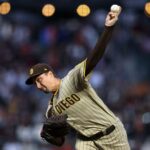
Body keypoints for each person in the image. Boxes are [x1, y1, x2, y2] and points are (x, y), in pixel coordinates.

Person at [25, 5, 130, 150]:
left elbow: (94, 58)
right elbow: (60, 140)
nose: (38, 86)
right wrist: (49, 136)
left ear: (50, 73)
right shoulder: (51, 110)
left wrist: (108, 29)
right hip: (85, 141)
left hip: (111, 133)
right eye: (35, 83)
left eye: (39, 80)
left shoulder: (72, 79)